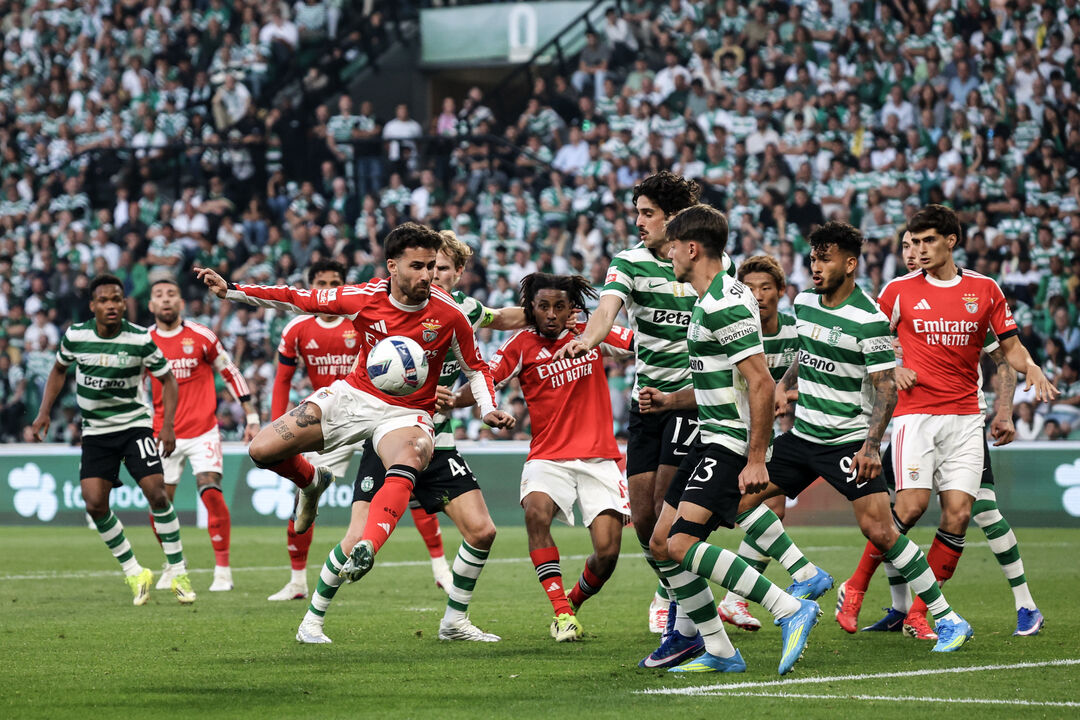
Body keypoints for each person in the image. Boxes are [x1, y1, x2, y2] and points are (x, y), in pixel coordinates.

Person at [196, 222, 514, 633]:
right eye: (417, 266)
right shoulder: (365, 297)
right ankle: (312, 481)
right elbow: (298, 298)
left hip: (408, 414)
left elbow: (477, 368)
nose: (426, 276)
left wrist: (489, 408)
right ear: (392, 266)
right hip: (353, 397)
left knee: (411, 454)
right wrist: (233, 291)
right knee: (262, 450)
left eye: (431, 266)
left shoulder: (450, 313)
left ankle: (369, 548)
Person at [297, 231, 526, 644]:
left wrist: (561, 316)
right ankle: (312, 619)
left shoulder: (465, 311)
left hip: (437, 441)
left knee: (482, 530)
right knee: (356, 538)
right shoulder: (393, 303)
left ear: (457, 273)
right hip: (388, 433)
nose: (433, 275)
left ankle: (455, 622)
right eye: (426, 267)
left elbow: (502, 321)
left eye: (441, 268)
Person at [554, 171, 733, 663]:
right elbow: (606, 310)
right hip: (646, 405)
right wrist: (589, 339)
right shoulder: (629, 263)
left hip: (689, 403)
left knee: (664, 519)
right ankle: (682, 600)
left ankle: (685, 616)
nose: (638, 222)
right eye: (636, 212)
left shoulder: (714, 265)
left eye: (646, 213)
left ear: (674, 221)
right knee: (644, 520)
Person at [836, 231, 1046, 637]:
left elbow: (1002, 358)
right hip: (911, 421)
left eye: (921, 245)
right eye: (907, 247)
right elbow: (862, 348)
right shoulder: (895, 301)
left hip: (964, 419)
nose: (914, 253)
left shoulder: (970, 297)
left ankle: (1024, 604)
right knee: (904, 512)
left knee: (978, 511)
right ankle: (901, 609)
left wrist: (1003, 410)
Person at [643, 204, 821, 674]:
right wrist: (671, 401)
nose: (669, 253)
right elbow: (724, 381)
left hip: (728, 443)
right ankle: (719, 650)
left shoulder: (723, 303)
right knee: (662, 543)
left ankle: (790, 606)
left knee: (680, 545)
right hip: (709, 435)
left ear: (692, 248)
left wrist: (756, 458)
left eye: (673, 245)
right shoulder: (719, 296)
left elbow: (761, 382)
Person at [265, 259, 454, 603]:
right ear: (312, 284)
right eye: (320, 280)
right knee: (301, 496)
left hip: (381, 415)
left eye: (333, 280)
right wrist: (279, 422)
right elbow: (282, 379)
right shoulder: (297, 329)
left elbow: (406, 361)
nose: (327, 285)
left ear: (341, 283)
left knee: (408, 489)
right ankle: (296, 581)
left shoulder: (362, 316)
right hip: (336, 415)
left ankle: (441, 568)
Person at [475, 273, 633, 642]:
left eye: (559, 306)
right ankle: (561, 612)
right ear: (530, 308)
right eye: (543, 306)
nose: (551, 314)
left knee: (607, 554)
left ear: (571, 309)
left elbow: (640, 342)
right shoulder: (521, 345)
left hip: (599, 458)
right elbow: (486, 376)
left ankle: (572, 602)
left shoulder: (592, 333)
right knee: (535, 511)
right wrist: (463, 402)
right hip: (548, 456)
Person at [31, 274, 196, 605]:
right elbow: (59, 370)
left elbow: (169, 380)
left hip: (134, 426)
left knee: (157, 494)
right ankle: (136, 572)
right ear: (93, 306)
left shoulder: (139, 339)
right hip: (95, 431)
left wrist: (167, 426)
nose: (111, 305)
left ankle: (177, 570)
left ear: (125, 304)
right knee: (94, 504)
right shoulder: (76, 336)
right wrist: (44, 411)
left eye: (117, 299)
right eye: (104, 300)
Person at [147, 278, 260, 593]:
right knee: (158, 502)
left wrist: (251, 416)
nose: (166, 300)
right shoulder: (143, 341)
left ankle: (222, 570)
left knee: (210, 489)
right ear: (151, 305)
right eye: (159, 295)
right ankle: (173, 564)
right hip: (161, 433)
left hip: (202, 430)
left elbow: (230, 371)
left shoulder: (201, 336)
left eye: (172, 294)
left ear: (181, 303)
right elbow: (132, 387)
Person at [716, 255, 799, 631]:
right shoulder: (732, 327)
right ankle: (671, 599)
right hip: (729, 431)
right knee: (700, 521)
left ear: (781, 291)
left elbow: (810, 377)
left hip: (768, 435)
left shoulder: (795, 332)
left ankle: (734, 600)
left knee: (774, 510)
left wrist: (789, 395)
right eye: (749, 289)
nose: (758, 295)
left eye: (766, 288)